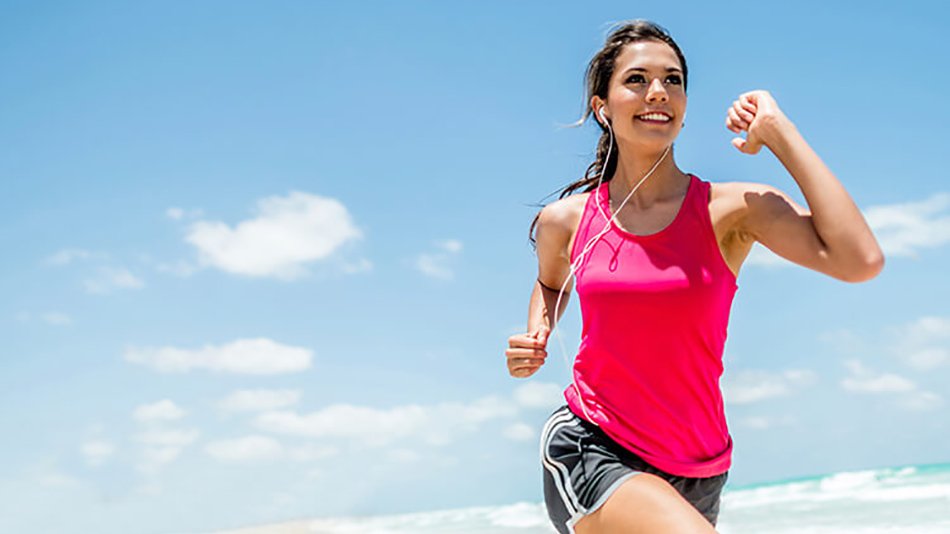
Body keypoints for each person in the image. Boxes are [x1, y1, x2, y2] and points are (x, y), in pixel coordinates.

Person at [505, 19, 884, 533]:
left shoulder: (731, 210)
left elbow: (859, 260)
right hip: (594, 444)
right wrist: (538, 329)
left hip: (701, 468)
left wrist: (779, 133)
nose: (658, 91)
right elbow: (552, 283)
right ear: (602, 107)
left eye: (673, 79)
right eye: (636, 79)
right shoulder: (568, 221)